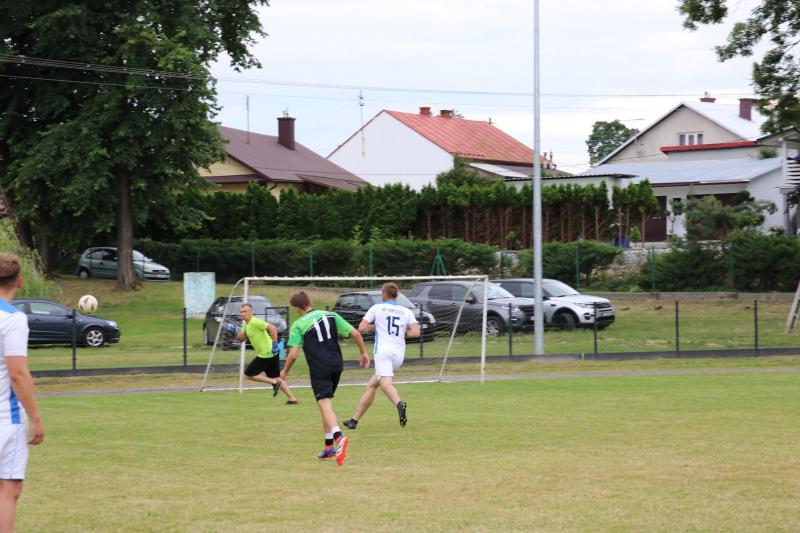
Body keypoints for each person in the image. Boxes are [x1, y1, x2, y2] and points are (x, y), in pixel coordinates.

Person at [280, 291, 369, 465]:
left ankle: (339, 437)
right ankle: (329, 447)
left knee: (325, 405)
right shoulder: (331, 315)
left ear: (297, 308)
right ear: (310, 302)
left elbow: (293, 355)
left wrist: (285, 372)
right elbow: (356, 334)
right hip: (337, 365)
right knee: (325, 405)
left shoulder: (298, 325)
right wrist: (363, 353)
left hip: (319, 367)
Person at [0, 253, 44, 533]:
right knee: (10, 488)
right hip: (6, 418)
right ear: (20, 282)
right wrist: (36, 418)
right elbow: (17, 373)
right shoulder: (13, 319)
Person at [343, 283, 419, 430]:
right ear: (396, 295)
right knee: (372, 385)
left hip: (383, 353)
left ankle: (399, 403)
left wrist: (375, 327)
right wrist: (402, 332)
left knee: (385, 383)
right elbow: (416, 333)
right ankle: (354, 420)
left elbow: (361, 328)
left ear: (384, 294)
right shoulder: (406, 311)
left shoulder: (377, 308)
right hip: (399, 355)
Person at [233, 303, 298, 404]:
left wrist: (275, 343)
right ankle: (292, 399)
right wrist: (234, 333)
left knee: (248, 375)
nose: (242, 314)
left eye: (245, 311)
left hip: (266, 353)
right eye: (241, 312)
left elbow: (272, 328)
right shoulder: (246, 324)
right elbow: (242, 339)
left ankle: (274, 383)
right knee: (276, 377)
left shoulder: (255, 322)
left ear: (251, 312)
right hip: (271, 353)